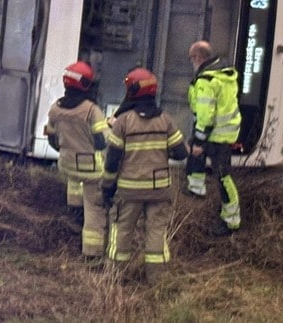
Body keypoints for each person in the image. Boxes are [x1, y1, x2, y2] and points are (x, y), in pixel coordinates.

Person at [102, 68, 188, 280]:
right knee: (157, 233)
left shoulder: (122, 122)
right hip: (159, 190)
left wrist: (107, 187)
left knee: (121, 232)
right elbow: (180, 153)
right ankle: (157, 279)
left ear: (131, 90)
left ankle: (114, 277)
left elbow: (112, 160)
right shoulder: (166, 120)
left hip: (129, 190)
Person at [43, 61, 109, 262]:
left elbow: (52, 139)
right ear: (86, 84)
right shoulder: (91, 111)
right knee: (94, 208)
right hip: (89, 168)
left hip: (66, 163)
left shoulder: (55, 109)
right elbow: (101, 142)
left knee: (75, 184)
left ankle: (73, 213)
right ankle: (92, 253)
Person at [184, 40, 242, 235]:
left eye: (192, 58)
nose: (191, 62)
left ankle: (231, 220)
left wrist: (199, 141)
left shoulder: (206, 81)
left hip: (216, 133)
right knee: (199, 158)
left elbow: (206, 116)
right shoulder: (224, 74)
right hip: (225, 131)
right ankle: (196, 187)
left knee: (223, 176)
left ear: (198, 58)